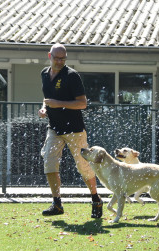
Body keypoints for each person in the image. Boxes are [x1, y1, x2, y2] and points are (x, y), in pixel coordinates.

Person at [38, 44, 103, 218]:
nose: (59, 61)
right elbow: (47, 99)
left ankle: (96, 199)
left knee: (83, 166)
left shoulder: (72, 76)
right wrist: (44, 108)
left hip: (74, 130)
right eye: (56, 58)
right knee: (49, 163)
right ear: (49, 55)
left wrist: (57, 103)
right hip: (54, 128)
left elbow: (82, 103)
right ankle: (57, 204)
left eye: (63, 58)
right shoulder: (44, 73)